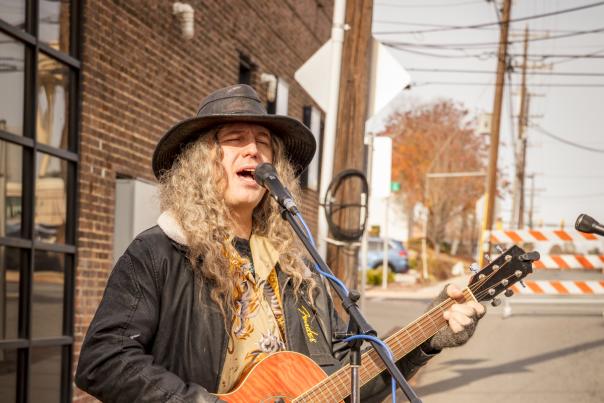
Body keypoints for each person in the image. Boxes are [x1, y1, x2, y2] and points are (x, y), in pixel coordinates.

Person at [75, 84, 485, 402]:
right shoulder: (158, 253)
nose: (254, 148)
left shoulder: (298, 270)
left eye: (264, 143)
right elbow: (104, 361)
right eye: (235, 138)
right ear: (201, 163)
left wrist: (429, 337)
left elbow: (346, 382)